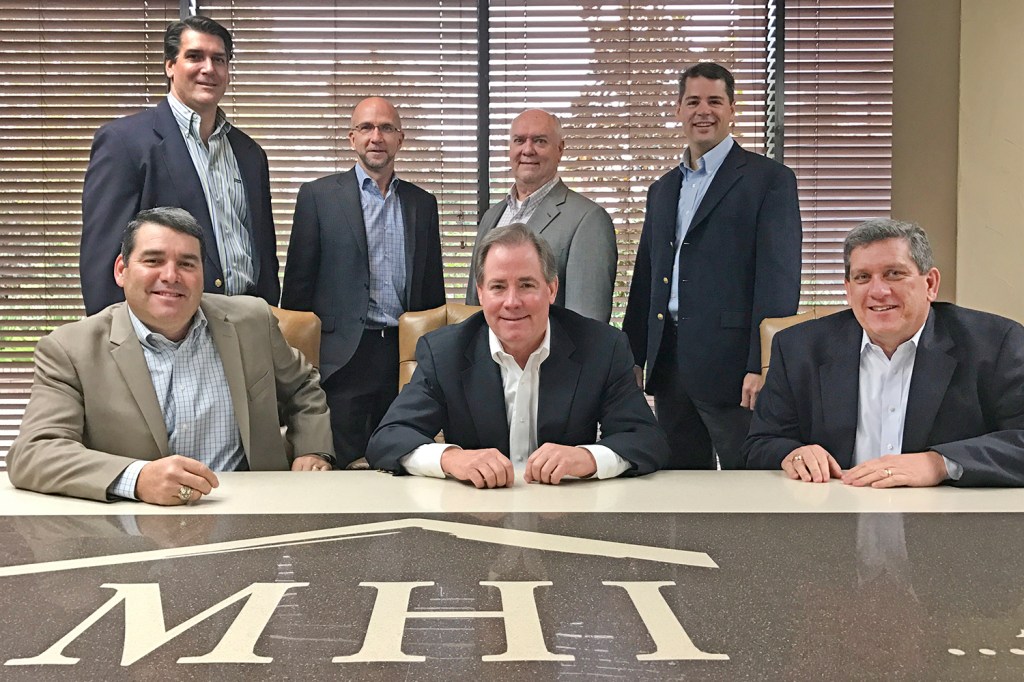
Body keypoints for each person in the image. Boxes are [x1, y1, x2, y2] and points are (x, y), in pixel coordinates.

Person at [8, 207, 334, 505]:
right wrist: (136, 479)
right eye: (153, 261)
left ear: (202, 275)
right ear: (122, 270)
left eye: (187, 263)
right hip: (132, 526)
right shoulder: (70, 349)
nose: (170, 276)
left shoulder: (252, 321)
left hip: (252, 511)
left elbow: (303, 386)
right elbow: (35, 452)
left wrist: (313, 448)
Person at [366, 223, 669, 487]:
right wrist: (452, 459)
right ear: (480, 293)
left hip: (570, 513)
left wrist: (587, 457)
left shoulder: (602, 347)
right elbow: (388, 438)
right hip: (477, 515)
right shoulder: (444, 352)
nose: (512, 302)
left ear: (551, 289)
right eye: (498, 287)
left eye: (526, 285)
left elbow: (646, 440)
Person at [744, 219, 1024, 487]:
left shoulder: (995, 344)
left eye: (894, 274)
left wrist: (938, 464)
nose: (878, 291)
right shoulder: (799, 348)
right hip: (833, 513)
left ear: (930, 284)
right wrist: (793, 454)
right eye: (863, 277)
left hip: (949, 518)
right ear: (848, 290)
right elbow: (761, 444)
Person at [623, 62, 802, 470]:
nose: (704, 111)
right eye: (693, 101)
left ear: (732, 109)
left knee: (750, 492)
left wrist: (762, 364)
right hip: (669, 367)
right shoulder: (663, 189)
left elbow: (778, 280)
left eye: (715, 101)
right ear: (678, 111)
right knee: (680, 490)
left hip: (735, 372)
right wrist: (632, 357)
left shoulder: (768, 180)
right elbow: (647, 278)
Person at [280, 97, 445, 467]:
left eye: (386, 128)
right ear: (352, 138)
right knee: (338, 468)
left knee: (399, 462)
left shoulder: (422, 204)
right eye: (367, 128)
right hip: (342, 358)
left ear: (400, 138)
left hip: (403, 356)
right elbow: (296, 291)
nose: (376, 137)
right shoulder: (319, 197)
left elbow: (433, 292)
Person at [80, 15, 279, 316]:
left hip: (247, 327)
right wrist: (117, 345)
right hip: (169, 328)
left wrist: (267, 315)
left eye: (219, 59)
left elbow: (262, 251)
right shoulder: (125, 143)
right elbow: (103, 262)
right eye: (195, 56)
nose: (208, 68)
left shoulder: (250, 154)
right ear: (170, 66)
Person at [465, 109, 617, 323]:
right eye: (519, 140)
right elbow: (473, 309)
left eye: (539, 141)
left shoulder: (589, 220)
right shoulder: (492, 217)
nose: (528, 150)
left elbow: (587, 326)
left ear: (560, 149)